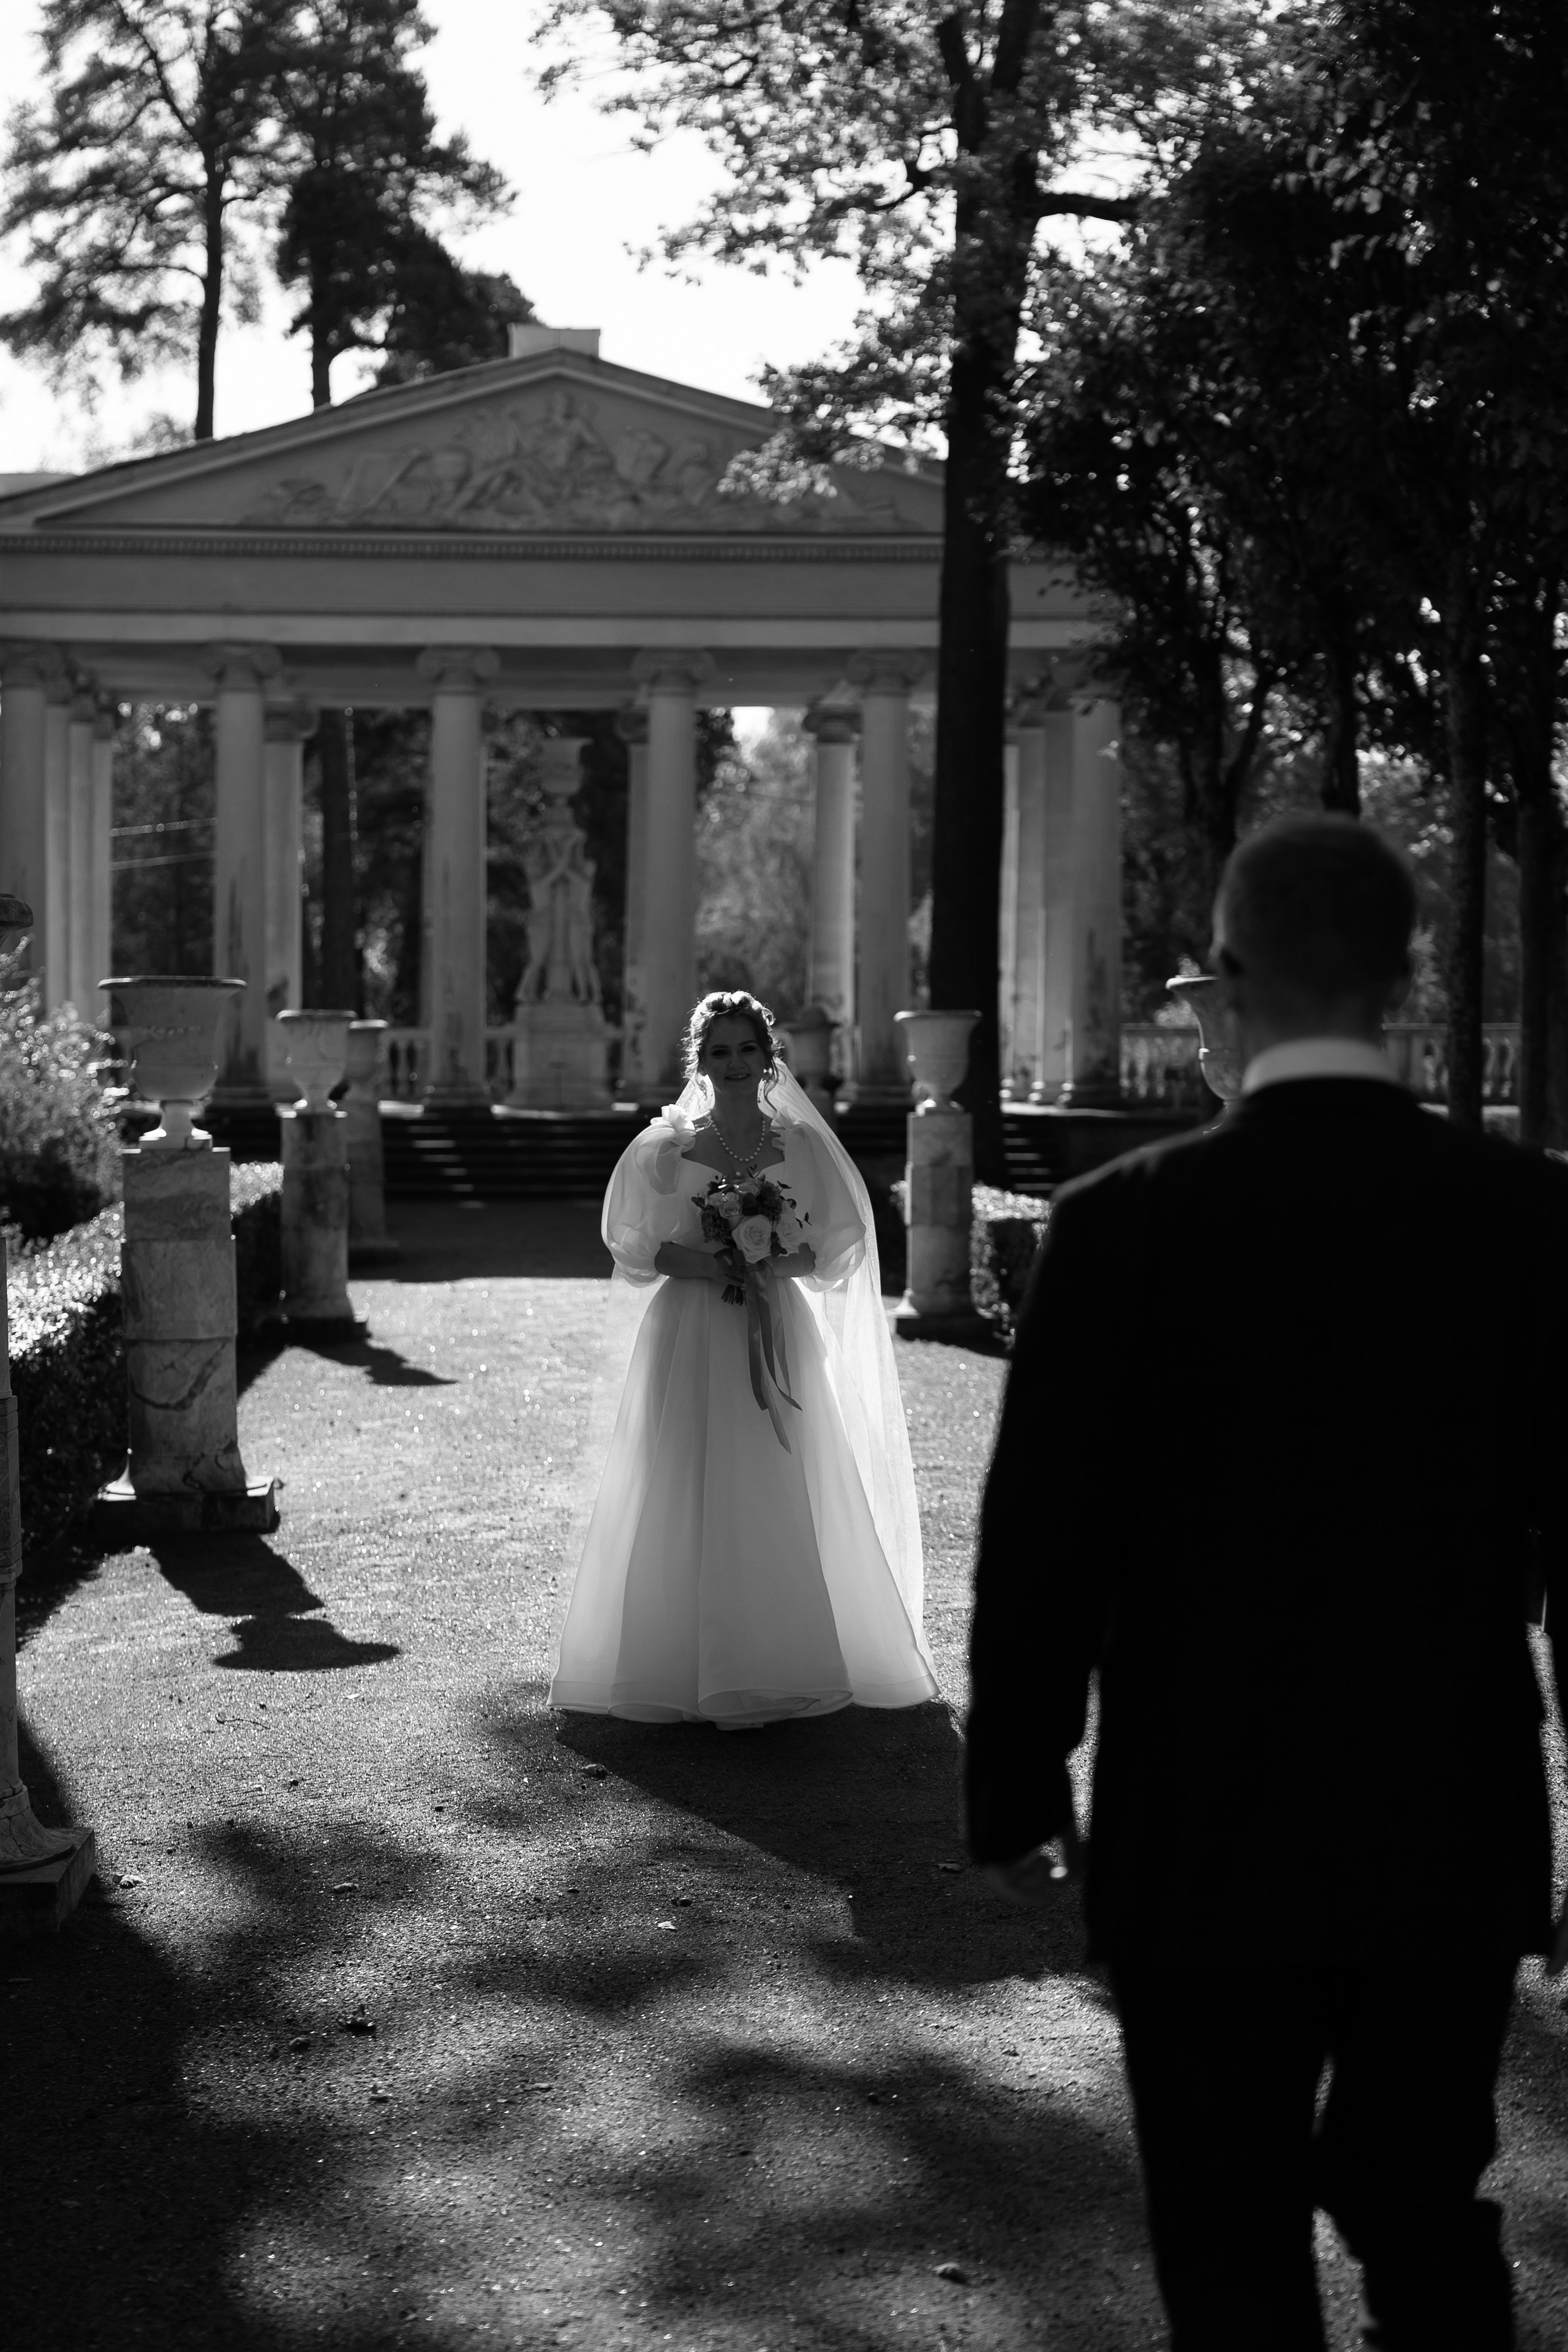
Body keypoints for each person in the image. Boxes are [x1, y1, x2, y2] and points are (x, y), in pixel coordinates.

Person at [966, 813, 1568, 2352]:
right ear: (1400, 979)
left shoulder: (1119, 1229)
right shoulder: (1531, 1224)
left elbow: (1046, 1536)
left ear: (1223, 991)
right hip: (1448, 1817)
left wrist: (1022, 1781)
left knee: (1225, 2243)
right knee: (1427, 2208)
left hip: (1199, 1829)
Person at [552, 989, 937, 1727]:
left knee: (773, 1470)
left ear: (769, 1057)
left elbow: (833, 1246)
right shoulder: (666, 1148)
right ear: (700, 1062)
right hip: (690, 1326)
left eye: (746, 1049)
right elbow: (633, 1244)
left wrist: (765, 1265)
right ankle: (678, 1660)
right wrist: (709, 1264)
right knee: (683, 1471)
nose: (734, 1064)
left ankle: (780, 1655)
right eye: (718, 1052)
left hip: (774, 1324)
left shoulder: (802, 1146)